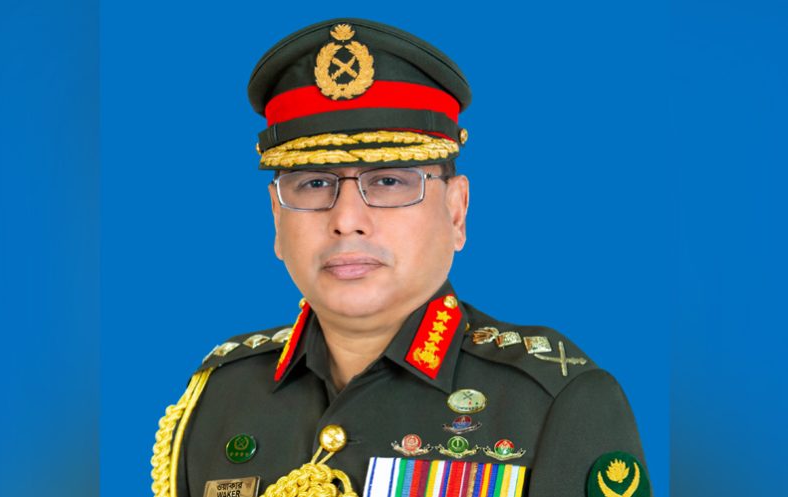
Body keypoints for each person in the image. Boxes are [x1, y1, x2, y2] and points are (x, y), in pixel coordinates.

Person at [151, 18, 651, 497]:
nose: (347, 219)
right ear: (277, 219)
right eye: (314, 183)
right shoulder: (220, 396)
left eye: (389, 181)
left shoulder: (554, 401)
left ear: (456, 211)